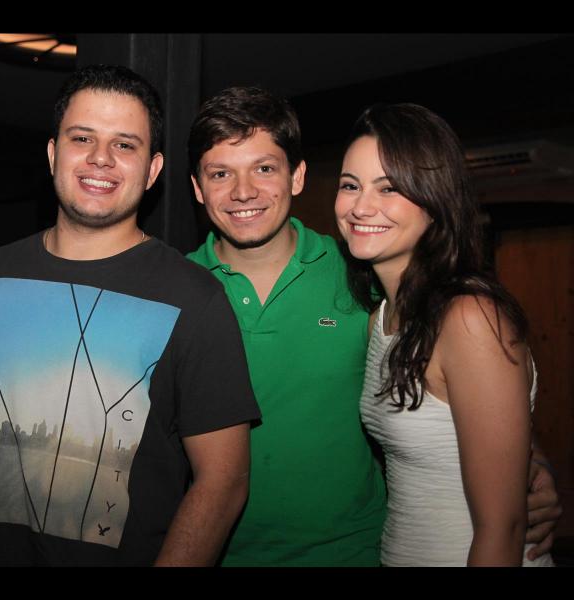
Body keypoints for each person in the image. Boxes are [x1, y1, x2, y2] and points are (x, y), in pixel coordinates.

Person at [186, 87, 561, 566]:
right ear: (197, 188)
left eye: (263, 168)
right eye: (220, 173)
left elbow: (482, 397)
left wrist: (532, 463)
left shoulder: (356, 280)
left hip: (354, 554)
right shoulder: (177, 293)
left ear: (297, 176)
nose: (244, 191)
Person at [0, 64, 260, 567]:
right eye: (82, 138)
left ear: (153, 170)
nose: (101, 157)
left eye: (125, 144)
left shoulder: (195, 298)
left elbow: (224, 482)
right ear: (53, 153)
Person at [337, 103, 555, 566]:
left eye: (389, 188)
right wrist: (536, 462)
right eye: (350, 185)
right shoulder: (383, 316)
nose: (360, 207)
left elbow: (503, 527)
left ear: (434, 202)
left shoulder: (470, 317)